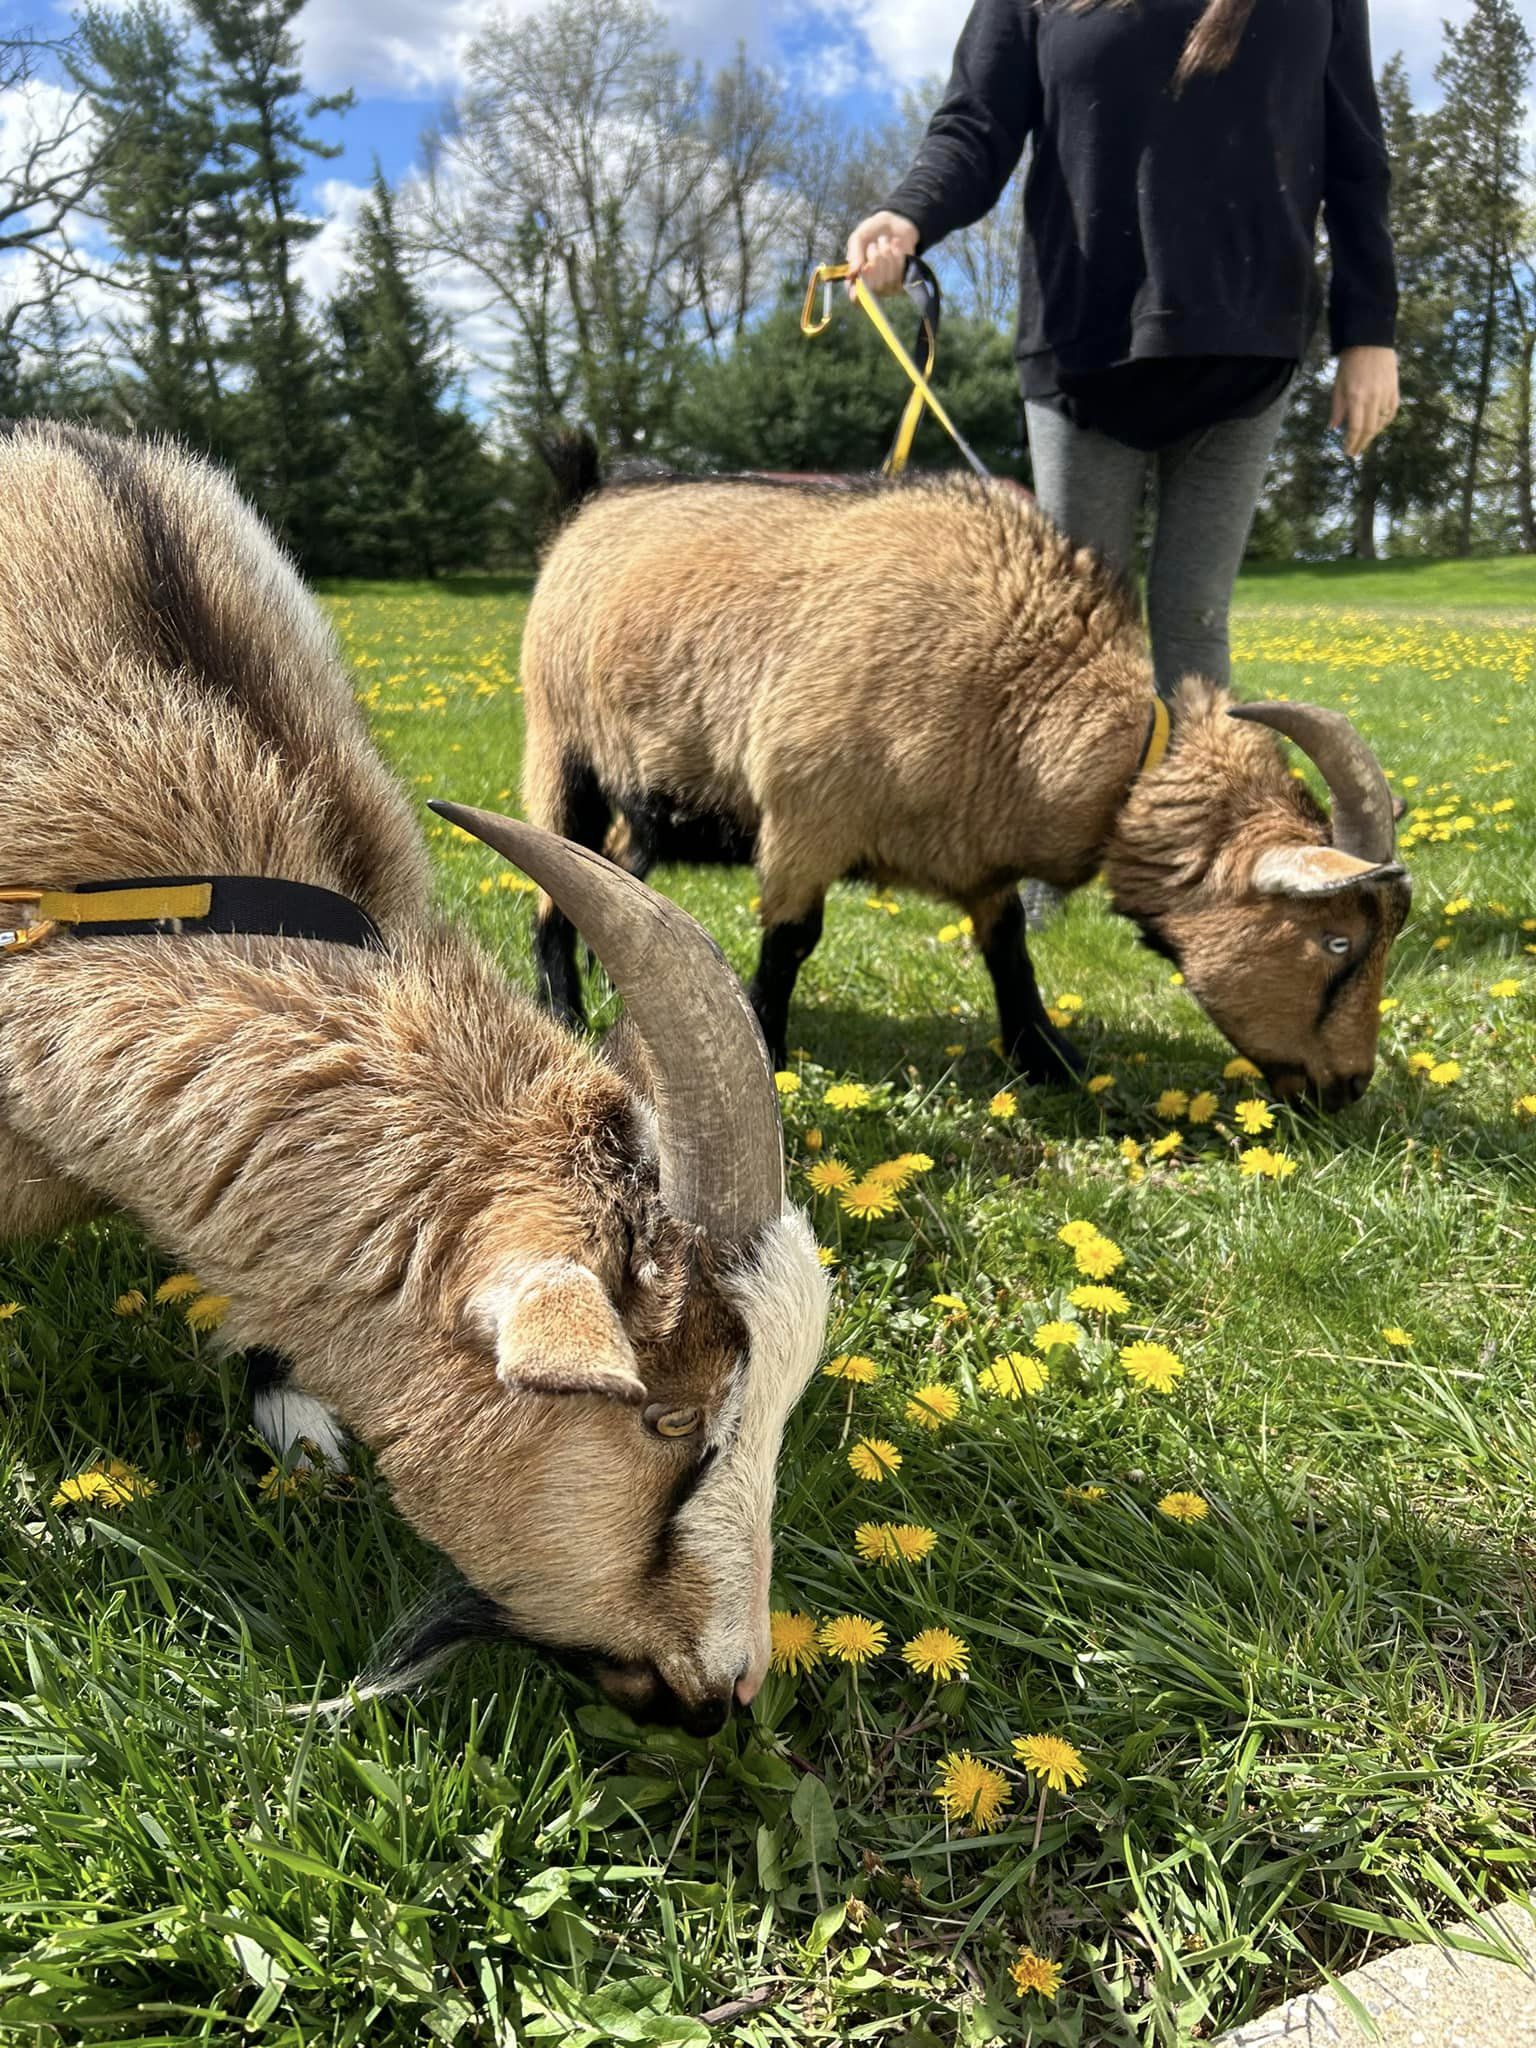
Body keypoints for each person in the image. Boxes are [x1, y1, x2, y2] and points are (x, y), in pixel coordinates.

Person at [847, 0, 1400, 708]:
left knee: (1195, 627)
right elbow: (975, 124)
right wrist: (909, 212)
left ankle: (1198, 815)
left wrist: (1369, 332)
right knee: (1077, 643)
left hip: (1245, 344)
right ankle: (1070, 819)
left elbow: (1356, 160)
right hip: (1081, 349)